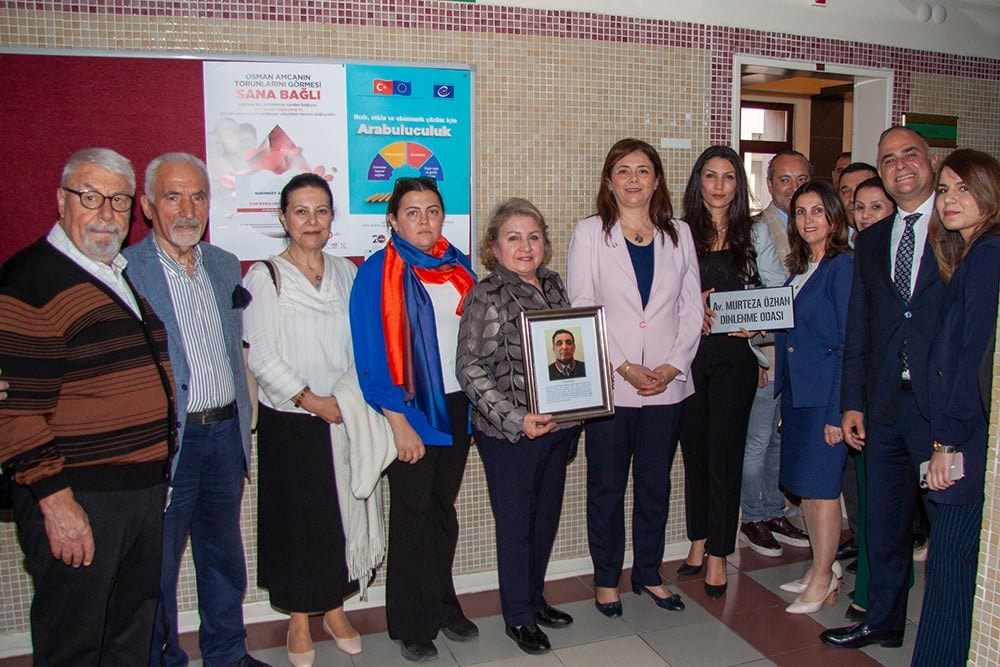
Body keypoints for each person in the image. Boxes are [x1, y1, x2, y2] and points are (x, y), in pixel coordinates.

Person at [0, 148, 175, 664]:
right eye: (91, 197)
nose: (106, 213)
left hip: (137, 492)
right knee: (74, 639)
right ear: (61, 201)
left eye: (118, 201)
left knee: (129, 629)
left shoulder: (109, 270)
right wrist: (57, 504)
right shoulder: (29, 281)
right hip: (81, 497)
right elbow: (14, 412)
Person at [123, 153, 267, 667]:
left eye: (198, 196)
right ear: (146, 206)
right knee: (156, 567)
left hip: (224, 434)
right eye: (172, 196)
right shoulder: (126, 272)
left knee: (223, 557)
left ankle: (228, 653)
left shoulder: (224, 264)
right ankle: (162, 657)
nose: (188, 209)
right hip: (169, 443)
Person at [822, 126, 945, 650]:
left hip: (943, 408)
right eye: (888, 159)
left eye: (909, 154)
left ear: (932, 161)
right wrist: (853, 401)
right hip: (885, 405)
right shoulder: (871, 240)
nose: (900, 166)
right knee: (886, 523)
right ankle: (884, 622)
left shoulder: (962, 229)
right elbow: (859, 330)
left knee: (949, 531)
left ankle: (949, 632)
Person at [567, 138, 702, 617]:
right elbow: (582, 309)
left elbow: (691, 308)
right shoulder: (589, 234)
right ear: (609, 181)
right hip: (612, 383)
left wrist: (672, 365)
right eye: (623, 170)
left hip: (667, 386)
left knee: (655, 484)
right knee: (606, 486)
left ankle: (648, 573)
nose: (633, 179)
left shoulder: (679, 233)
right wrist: (623, 364)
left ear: (657, 180)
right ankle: (607, 579)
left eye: (643, 170)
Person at [349, 176, 479, 662]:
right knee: (412, 515)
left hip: (458, 407)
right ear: (393, 219)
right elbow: (370, 355)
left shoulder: (458, 266)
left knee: (443, 512)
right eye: (412, 212)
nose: (423, 221)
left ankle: (444, 603)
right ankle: (410, 621)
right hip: (410, 409)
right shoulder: (376, 272)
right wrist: (398, 421)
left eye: (432, 211)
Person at [243, 173, 366, 666]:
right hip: (291, 421)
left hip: (343, 415)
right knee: (296, 524)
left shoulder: (346, 272)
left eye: (321, 211)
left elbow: (363, 344)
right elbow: (262, 355)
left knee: (340, 516)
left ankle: (335, 610)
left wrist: (348, 400)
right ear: (283, 218)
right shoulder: (264, 275)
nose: (311, 221)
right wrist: (311, 400)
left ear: (333, 218)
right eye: (300, 211)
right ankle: (298, 620)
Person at [456, 198, 579, 655]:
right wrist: (514, 418)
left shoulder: (554, 284)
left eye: (533, 236)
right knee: (516, 525)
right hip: (509, 434)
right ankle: (519, 617)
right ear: (494, 246)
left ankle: (534, 598)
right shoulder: (485, 294)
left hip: (557, 427)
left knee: (544, 519)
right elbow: (469, 368)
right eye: (513, 237)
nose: (525, 247)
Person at [911, 149, 1000, 666]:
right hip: (962, 435)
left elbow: (973, 361)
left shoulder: (988, 256)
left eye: (964, 188)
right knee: (954, 567)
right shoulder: (970, 256)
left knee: (950, 570)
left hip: (965, 440)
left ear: (989, 193)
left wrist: (948, 442)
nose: (949, 200)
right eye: (943, 190)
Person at [678, 145, 761, 599]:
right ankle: (697, 541)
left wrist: (757, 324)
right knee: (695, 453)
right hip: (690, 355)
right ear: (698, 181)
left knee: (724, 457)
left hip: (735, 358)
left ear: (738, 184)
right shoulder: (677, 231)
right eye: (710, 176)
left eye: (728, 177)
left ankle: (718, 555)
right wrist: (695, 308)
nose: (719, 186)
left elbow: (774, 291)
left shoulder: (757, 231)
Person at [773, 181, 853, 614]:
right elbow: (790, 327)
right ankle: (820, 565)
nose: (807, 220)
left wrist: (837, 410)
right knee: (805, 489)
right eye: (801, 212)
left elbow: (846, 343)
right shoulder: (801, 267)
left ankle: (824, 576)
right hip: (799, 396)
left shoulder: (842, 267)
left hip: (825, 397)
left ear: (834, 217)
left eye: (817, 211)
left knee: (823, 492)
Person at [738, 151, 812, 558]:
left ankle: (773, 508)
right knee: (759, 438)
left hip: (803, 355)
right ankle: (752, 515)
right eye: (785, 179)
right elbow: (753, 295)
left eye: (801, 178)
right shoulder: (756, 230)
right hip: (769, 352)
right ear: (770, 184)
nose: (794, 187)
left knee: (781, 440)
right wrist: (760, 351)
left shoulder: (817, 224)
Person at [838, 162, 878, 231]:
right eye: (846, 191)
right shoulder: (831, 239)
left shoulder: (898, 238)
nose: (852, 199)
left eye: (859, 189)